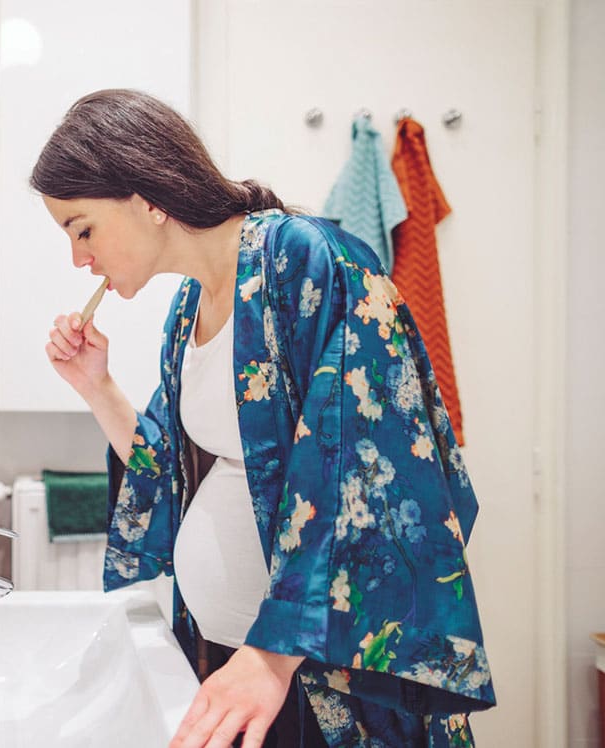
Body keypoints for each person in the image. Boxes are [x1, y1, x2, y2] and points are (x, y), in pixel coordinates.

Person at [32, 89, 495, 747]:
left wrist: (273, 655)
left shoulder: (305, 258)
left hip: (314, 677)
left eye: (83, 228)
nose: (80, 258)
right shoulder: (186, 312)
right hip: (235, 662)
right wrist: (98, 387)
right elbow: (173, 479)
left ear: (145, 197)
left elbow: (379, 470)